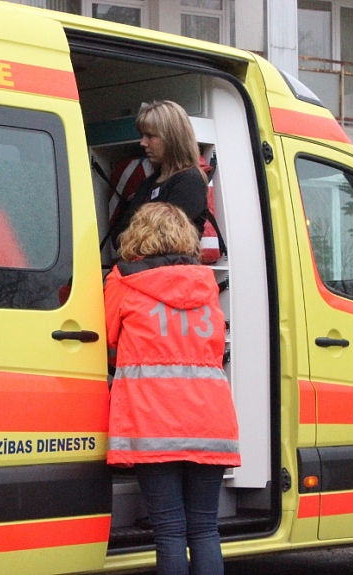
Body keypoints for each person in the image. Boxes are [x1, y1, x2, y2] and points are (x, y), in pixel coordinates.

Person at [104, 202, 240, 575]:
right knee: (204, 529)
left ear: (138, 235)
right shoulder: (204, 282)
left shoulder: (123, 279)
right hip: (210, 421)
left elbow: (107, 337)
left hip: (154, 423)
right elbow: (213, 347)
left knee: (169, 532)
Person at [110, 100, 208, 246]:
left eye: (150, 136)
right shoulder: (147, 184)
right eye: (142, 135)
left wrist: (136, 232)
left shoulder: (190, 180)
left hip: (171, 268)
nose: (143, 143)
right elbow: (118, 238)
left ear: (172, 138)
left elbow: (165, 240)